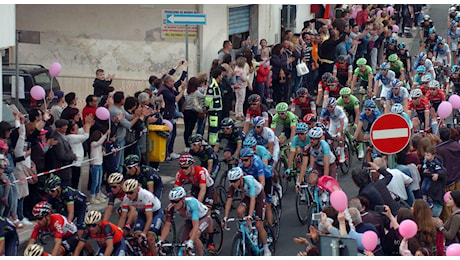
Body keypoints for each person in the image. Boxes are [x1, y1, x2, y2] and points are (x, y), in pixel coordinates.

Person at [222, 167, 272, 256]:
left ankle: (266, 249)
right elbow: (229, 201)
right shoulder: (233, 185)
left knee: (258, 224)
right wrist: (225, 217)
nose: (232, 184)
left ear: (241, 178)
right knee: (239, 211)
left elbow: (253, 200)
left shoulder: (249, 181)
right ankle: (248, 231)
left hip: (259, 196)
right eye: (231, 181)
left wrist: (249, 215)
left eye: (234, 181)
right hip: (248, 197)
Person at [158, 187, 212, 256]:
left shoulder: (192, 203)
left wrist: (191, 241)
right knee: (184, 244)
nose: (174, 204)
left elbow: (195, 225)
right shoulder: (170, 208)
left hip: (203, 217)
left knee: (194, 236)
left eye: (176, 201)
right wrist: (161, 240)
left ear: (183, 199)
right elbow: (167, 225)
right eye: (172, 201)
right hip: (189, 219)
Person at [118, 179, 163, 256]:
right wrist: (118, 231)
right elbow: (123, 216)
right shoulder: (126, 198)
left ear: (136, 191)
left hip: (155, 212)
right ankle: (147, 254)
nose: (128, 195)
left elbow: (149, 218)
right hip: (142, 212)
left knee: (150, 238)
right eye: (126, 193)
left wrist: (144, 233)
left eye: (131, 193)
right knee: (137, 236)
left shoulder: (145, 195)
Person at [109, 91, 143, 171]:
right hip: (118, 138)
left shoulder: (121, 108)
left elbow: (128, 117)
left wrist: (136, 114)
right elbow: (128, 125)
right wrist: (137, 116)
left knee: (121, 162)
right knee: (118, 163)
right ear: (121, 100)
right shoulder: (115, 111)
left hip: (122, 137)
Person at [46, 119, 77, 188]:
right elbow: (62, 156)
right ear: (60, 128)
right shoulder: (57, 140)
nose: (66, 127)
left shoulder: (60, 136)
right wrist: (73, 156)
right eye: (65, 126)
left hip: (64, 169)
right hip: (62, 171)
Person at [319, 97, 348, 162]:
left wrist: (339, 133)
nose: (329, 108)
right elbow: (320, 121)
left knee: (339, 136)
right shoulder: (325, 110)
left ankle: (342, 153)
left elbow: (342, 122)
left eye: (331, 107)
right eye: (328, 106)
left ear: (334, 106)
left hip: (342, 121)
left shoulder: (338, 109)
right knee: (329, 138)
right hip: (333, 122)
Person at [183, 77, 206, 152]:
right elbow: (203, 97)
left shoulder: (186, 91)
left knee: (186, 128)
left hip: (186, 111)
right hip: (193, 111)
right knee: (191, 128)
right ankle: (190, 144)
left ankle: (186, 144)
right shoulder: (196, 92)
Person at [89, 129, 110, 204]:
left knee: (99, 181)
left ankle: (98, 194)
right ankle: (92, 196)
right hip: (94, 165)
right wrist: (106, 134)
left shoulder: (99, 145)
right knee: (95, 181)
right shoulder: (93, 143)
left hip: (100, 164)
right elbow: (99, 142)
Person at [205, 68, 224, 146]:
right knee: (214, 128)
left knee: (217, 128)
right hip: (214, 110)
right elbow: (208, 99)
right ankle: (212, 144)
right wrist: (206, 107)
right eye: (221, 75)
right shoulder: (212, 86)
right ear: (218, 76)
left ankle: (215, 144)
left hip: (217, 109)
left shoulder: (216, 85)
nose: (222, 77)